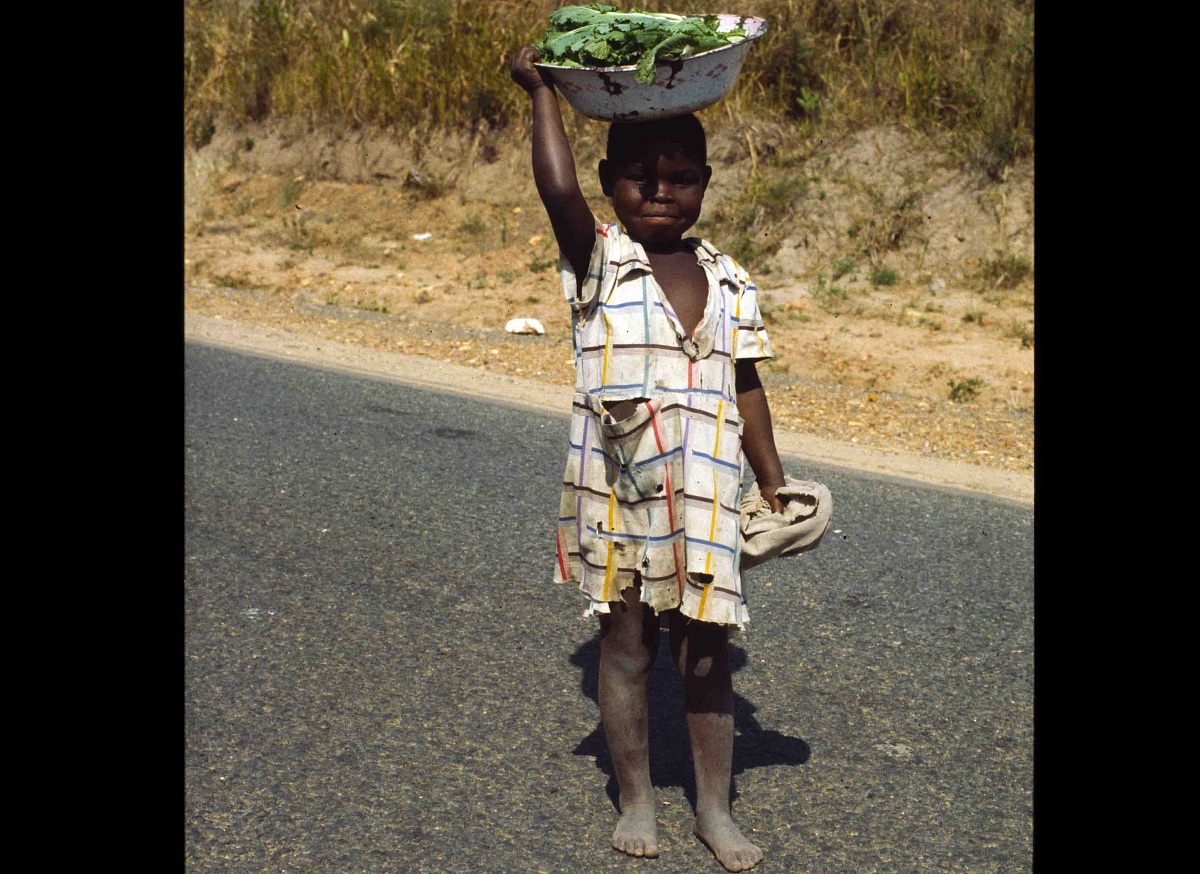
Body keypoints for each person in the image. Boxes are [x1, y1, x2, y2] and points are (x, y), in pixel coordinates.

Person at [512, 44, 789, 873]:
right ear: (609, 183)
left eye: (679, 176)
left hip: (706, 493)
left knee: (705, 656)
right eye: (639, 175)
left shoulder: (732, 282)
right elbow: (552, 187)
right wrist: (541, 94)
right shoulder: (598, 261)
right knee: (627, 645)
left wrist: (773, 480)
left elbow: (745, 386)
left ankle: (712, 807)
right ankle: (635, 797)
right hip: (619, 492)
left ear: (705, 183)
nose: (660, 190)